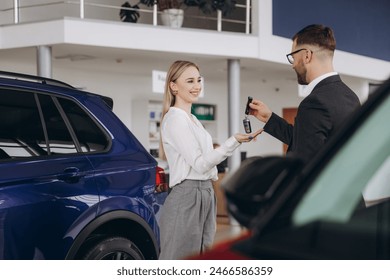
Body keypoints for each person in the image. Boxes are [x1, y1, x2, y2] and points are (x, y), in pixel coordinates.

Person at [158, 60, 262, 259]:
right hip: (188, 195)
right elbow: (200, 163)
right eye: (189, 81)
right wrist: (233, 142)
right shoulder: (175, 119)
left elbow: (205, 162)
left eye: (198, 80)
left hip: (205, 191)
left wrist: (236, 141)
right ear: (173, 86)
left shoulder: (193, 119)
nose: (196, 86)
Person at [248, 24, 361, 162]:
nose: (293, 64)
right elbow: (306, 141)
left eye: (293, 57)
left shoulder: (314, 103)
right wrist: (270, 118)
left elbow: (303, 163)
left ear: (307, 56)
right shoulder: (351, 97)